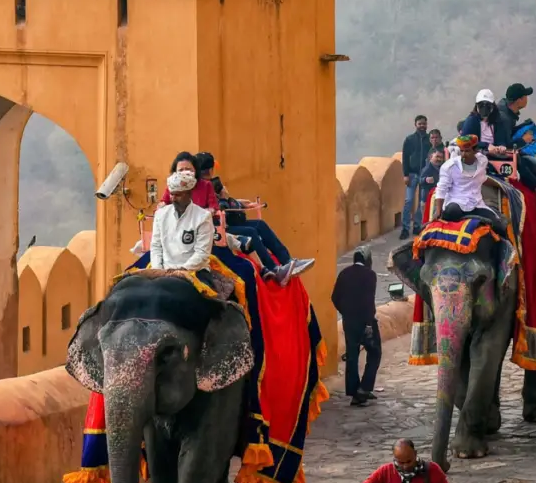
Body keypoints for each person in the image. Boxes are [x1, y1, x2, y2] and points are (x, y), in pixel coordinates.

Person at [194, 152, 311, 285]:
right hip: (217, 230)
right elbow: (218, 207)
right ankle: (274, 269)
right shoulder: (202, 187)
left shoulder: (207, 185)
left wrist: (237, 202)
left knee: (259, 224)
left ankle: (287, 260)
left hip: (223, 223)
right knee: (251, 231)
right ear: (210, 169)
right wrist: (227, 199)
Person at [332, 245, 381, 407]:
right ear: (367, 260)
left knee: (352, 356)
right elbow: (369, 301)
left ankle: (354, 390)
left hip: (349, 322)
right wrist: (368, 323)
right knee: (375, 353)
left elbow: (335, 297)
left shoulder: (344, 273)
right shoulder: (370, 275)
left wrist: (346, 312)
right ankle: (364, 388)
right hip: (366, 321)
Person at [431, 136, 511, 232]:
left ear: (476, 151)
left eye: (467, 151)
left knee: (499, 225)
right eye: (461, 151)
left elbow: (482, 178)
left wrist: (502, 185)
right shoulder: (449, 166)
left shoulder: (482, 161)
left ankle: (507, 247)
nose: (463, 154)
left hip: (476, 204)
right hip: (456, 204)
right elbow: (441, 188)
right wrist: (438, 210)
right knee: (450, 212)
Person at [150, 170, 215, 287]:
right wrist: (158, 270)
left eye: (178, 195)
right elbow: (156, 246)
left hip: (195, 271)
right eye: (171, 194)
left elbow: (202, 253)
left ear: (190, 194)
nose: (173, 198)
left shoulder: (203, 217)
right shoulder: (160, 214)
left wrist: (181, 271)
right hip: (163, 271)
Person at [400, 115, 432, 238]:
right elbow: (405, 158)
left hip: (424, 174)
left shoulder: (430, 140)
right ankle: (405, 228)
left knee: (421, 202)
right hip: (412, 174)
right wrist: (405, 175)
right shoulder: (409, 140)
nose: (422, 126)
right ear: (415, 125)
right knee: (409, 201)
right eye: (420, 124)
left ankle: (417, 226)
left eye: (424, 124)